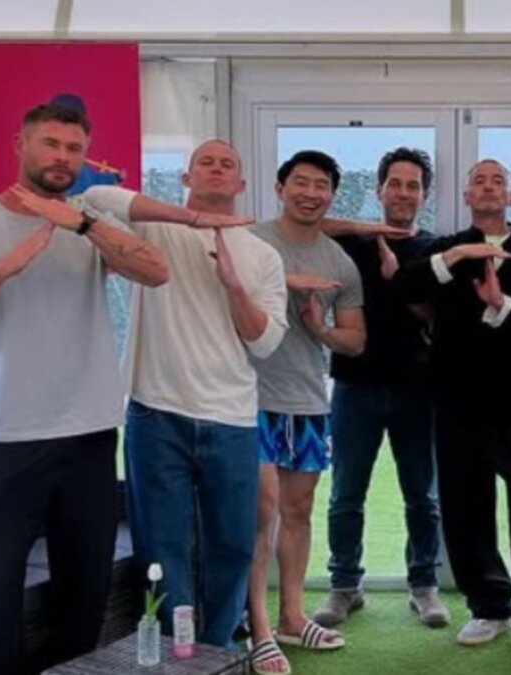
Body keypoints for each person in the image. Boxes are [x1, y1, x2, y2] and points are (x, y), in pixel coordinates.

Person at [0, 102, 169, 675]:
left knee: (84, 596)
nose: (62, 157)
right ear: (21, 145)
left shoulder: (89, 224)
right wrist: (2, 268)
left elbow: (156, 272)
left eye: (74, 148)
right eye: (51, 144)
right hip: (5, 440)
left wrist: (81, 225)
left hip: (89, 437)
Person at [80, 141, 289, 649]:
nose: (217, 169)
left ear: (241, 184)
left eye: (227, 164)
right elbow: (96, 198)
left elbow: (265, 342)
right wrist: (192, 219)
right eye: (205, 162)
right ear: (186, 178)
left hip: (231, 418)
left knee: (231, 545)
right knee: (162, 547)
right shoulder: (154, 229)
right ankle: (179, 651)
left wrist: (234, 287)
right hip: (157, 414)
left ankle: (218, 649)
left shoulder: (262, 255)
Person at [394, 158, 511, 663]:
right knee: (465, 505)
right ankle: (488, 604)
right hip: (456, 399)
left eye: (498, 181)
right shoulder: (444, 249)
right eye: (479, 181)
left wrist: (501, 305)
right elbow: (405, 288)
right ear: (466, 196)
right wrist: (458, 256)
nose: (488, 187)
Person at [312, 147, 447, 629]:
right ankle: (344, 586)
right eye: (395, 184)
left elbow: (438, 318)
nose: (404, 193)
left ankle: (424, 586)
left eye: (413, 186)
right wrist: (369, 229)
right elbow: (309, 225)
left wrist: (401, 283)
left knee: (423, 498)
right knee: (346, 494)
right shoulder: (352, 243)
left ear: (424, 195)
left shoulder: (435, 248)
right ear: (380, 190)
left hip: (417, 389)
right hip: (355, 385)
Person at [245, 150, 365, 672]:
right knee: (260, 512)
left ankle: (292, 617)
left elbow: (355, 341)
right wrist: (282, 285)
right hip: (250, 398)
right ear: (280, 188)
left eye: (321, 185)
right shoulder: (250, 243)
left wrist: (319, 328)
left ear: (331, 196)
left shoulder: (339, 263)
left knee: (298, 510)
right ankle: (258, 627)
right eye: (301, 182)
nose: (311, 193)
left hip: (308, 400)